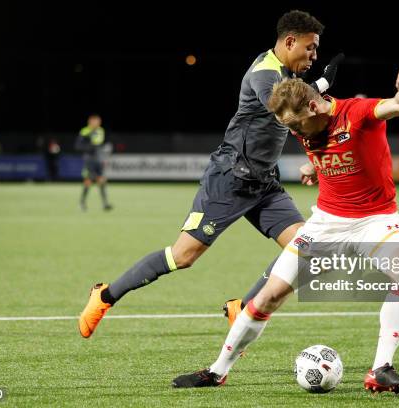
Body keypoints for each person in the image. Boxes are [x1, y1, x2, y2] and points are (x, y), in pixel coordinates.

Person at [78, 10, 344, 338]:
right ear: (290, 41)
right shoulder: (264, 74)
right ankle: (104, 296)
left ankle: (244, 308)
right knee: (183, 256)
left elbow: (299, 99)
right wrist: (324, 87)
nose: (314, 55)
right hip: (229, 179)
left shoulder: (284, 74)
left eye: (316, 49)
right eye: (310, 48)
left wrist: (319, 92)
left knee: (307, 249)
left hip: (263, 183)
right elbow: (288, 111)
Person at [172, 69, 399, 394]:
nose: (293, 133)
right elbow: (328, 153)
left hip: (376, 220)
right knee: (268, 296)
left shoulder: (356, 114)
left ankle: (380, 369)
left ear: (315, 109)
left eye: (295, 125)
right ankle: (216, 372)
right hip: (325, 223)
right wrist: (313, 166)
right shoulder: (305, 124)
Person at [75, 114, 113, 211]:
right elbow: (78, 145)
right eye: (95, 121)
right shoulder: (85, 131)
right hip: (89, 159)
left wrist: (105, 152)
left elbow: (100, 144)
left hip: (99, 159)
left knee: (101, 180)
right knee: (88, 181)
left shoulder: (101, 130)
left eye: (99, 121)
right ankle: (82, 203)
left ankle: (105, 204)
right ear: (90, 121)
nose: (98, 123)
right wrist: (89, 147)